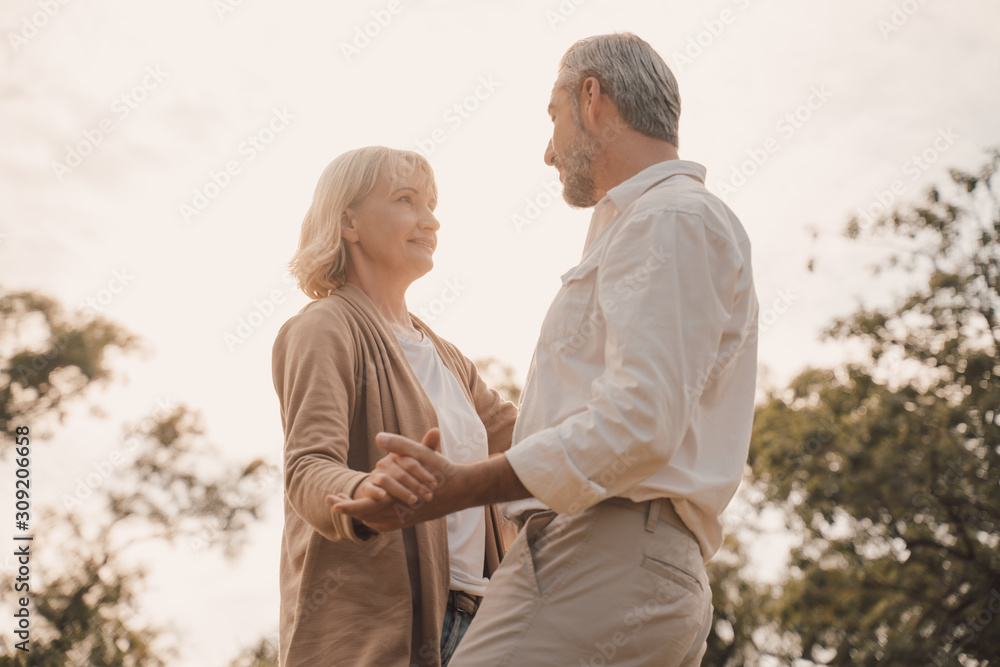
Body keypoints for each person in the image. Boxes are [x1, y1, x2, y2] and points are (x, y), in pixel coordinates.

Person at [332, 32, 760, 666]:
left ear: (592, 100)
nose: (547, 151)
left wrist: (460, 487)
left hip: (600, 559)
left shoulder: (670, 220)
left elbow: (640, 421)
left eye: (552, 116)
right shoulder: (649, 226)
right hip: (624, 564)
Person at [271, 146, 517, 667]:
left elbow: (531, 439)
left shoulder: (449, 358)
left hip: (482, 625)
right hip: (376, 638)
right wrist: (364, 490)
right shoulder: (325, 327)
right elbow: (307, 468)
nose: (431, 220)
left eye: (431, 205)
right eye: (407, 200)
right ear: (349, 221)